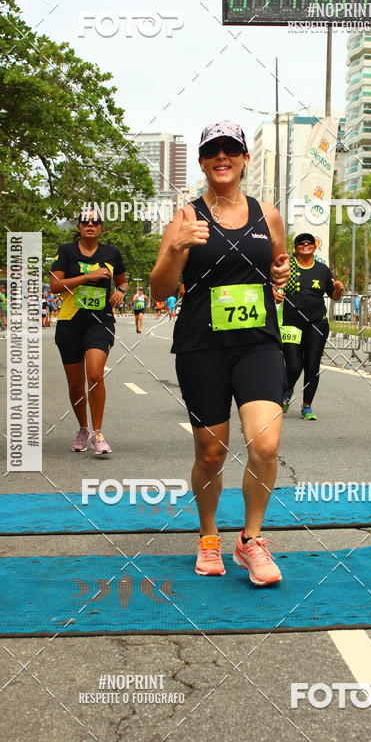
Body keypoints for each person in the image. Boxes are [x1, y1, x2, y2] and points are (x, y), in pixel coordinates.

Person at [151, 120, 290, 586]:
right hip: (201, 344)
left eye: (231, 150)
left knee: (265, 443)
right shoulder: (186, 216)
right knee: (211, 453)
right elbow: (161, 289)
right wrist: (175, 249)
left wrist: (280, 279)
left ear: (245, 158)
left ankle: (251, 541)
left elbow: (278, 267)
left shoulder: (267, 214)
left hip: (258, 343)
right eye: (213, 151)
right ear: (203, 162)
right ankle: (209, 535)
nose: (222, 157)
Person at [49, 209, 128, 455]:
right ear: (79, 226)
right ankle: (82, 428)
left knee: (95, 374)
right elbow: (55, 286)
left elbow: (122, 280)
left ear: (101, 227)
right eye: (85, 221)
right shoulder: (66, 251)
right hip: (70, 322)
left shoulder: (112, 253)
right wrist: (88, 276)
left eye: (95, 222)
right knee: (75, 383)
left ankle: (98, 432)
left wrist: (121, 292)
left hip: (100, 321)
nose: (90, 225)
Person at [278, 232, 345, 421]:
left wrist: (339, 290)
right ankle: (287, 390)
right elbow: (274, 287)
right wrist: (275, 294)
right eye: (301, 243)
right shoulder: (287, 267)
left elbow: (335, 295)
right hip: (291, 323)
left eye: (309, 243)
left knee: (312, 365)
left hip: (317, 323)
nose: (305, 245)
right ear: (296, 247)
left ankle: (307, 406)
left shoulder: (323, 270)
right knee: (293, 366)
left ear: (314, 247)